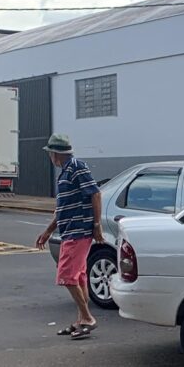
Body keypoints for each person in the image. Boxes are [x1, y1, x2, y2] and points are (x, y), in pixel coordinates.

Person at [35, 134, 104, 339]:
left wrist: (97, 225)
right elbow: (63, 208)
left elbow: (95, 193)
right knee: (79, 277)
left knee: (66, 276)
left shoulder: (76, 167)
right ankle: (81, 320)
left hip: (78, 231)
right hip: (69, 231)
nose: (50, 157)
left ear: (55, 154)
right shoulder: (65, 173)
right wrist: (48, 231)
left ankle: (87, 318)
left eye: (50, 153)